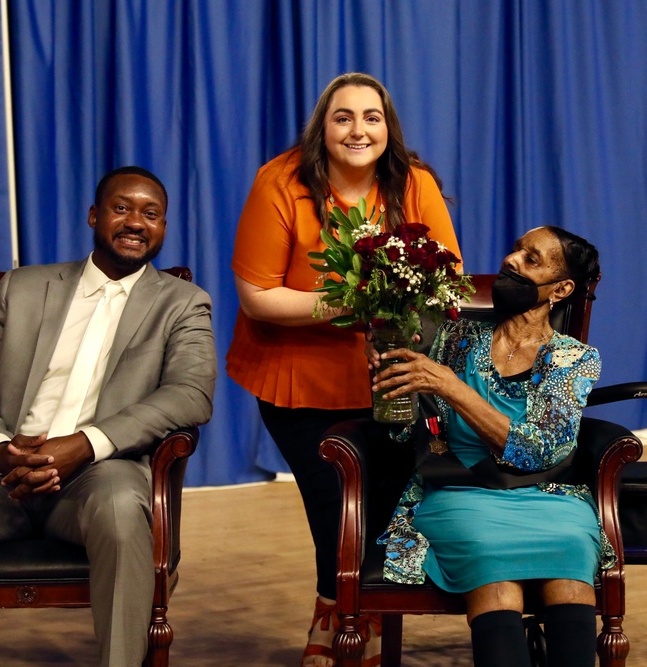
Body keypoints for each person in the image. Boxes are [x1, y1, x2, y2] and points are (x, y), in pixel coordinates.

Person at [0, 166, 217, 667]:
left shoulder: (183, 303)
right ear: (94, 215)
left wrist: (85, 443)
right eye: (122, 208)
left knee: (124, 509)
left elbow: (189, 396)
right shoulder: (25, 288)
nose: (136, 222)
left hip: (99, 476)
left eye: (152, 214)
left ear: (164, 227)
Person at [226, 72, 463, 667]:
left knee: (381, 502)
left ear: (388, 127)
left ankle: (358, 609)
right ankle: (336, 605)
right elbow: (257, 295)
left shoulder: (415, 183)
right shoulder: (280, 182)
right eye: (343, 117)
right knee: (332, 505)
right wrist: (356, 304)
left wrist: (401, 313)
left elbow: (446, 278)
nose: (358, 130)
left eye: (371, 117)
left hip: (393, 376)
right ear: (322, 127)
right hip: (296, 376)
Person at [370, 226, 610, 667]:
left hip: (548, 496)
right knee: (487, 548)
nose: (512, 261)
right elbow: (407, 434)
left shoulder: (573, 357)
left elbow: (540, 451)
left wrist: (452, 388)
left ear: (561, 288)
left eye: (531, 259)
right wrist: (392, 381)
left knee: (572, 544)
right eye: (515, 250)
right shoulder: (455, 339)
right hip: (461, 493)